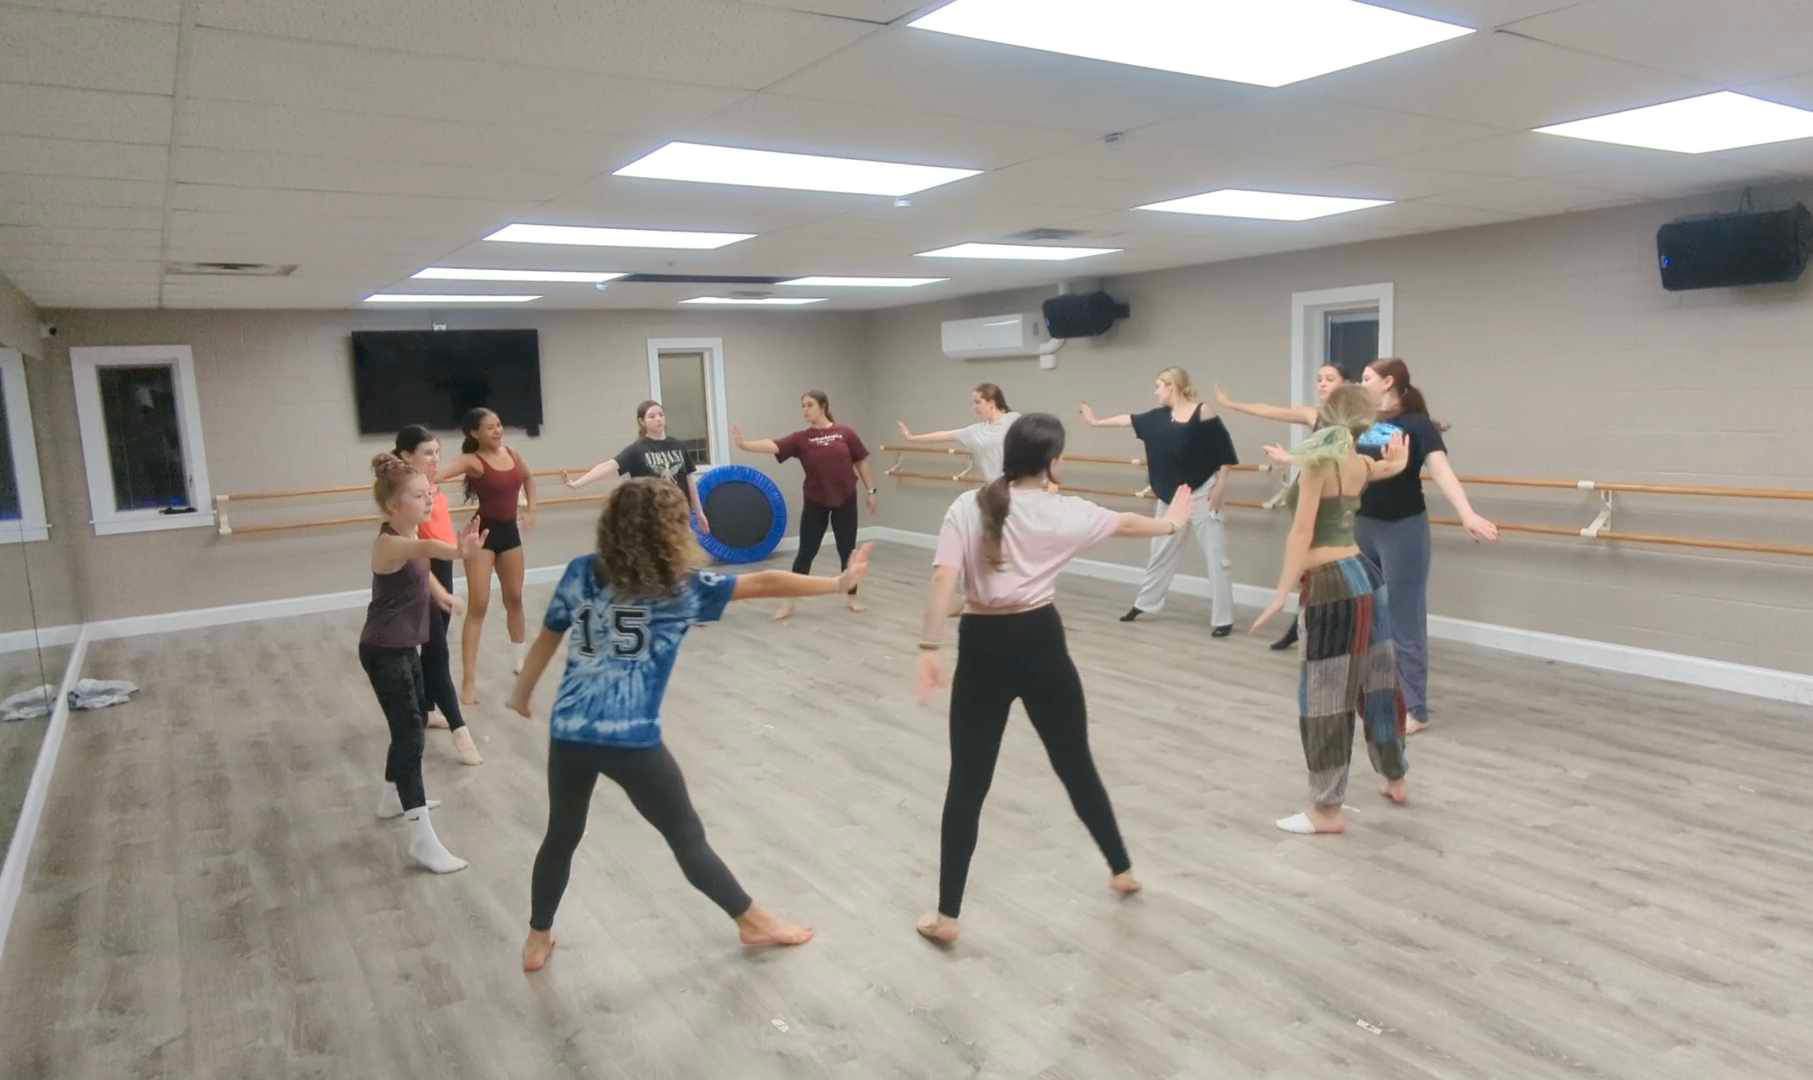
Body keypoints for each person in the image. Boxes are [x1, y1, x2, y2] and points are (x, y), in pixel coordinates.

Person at [508, 478, 873, 972]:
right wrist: (836, 583)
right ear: (671, 531)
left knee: (561, 835)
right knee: (686, 836)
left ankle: (537, 938)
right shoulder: (682, 589)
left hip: (570, 732)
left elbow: (548, 639)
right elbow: (764, 583)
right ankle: (753, 920)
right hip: (630, 741)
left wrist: (522, 692)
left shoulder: (581, 573)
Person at [912, 413, 1193, 946]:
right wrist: (1174, 522)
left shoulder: (966, 506)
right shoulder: (1067, 512)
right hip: (1042, 642)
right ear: (1053, 462)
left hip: (982, 647)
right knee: (1075, 764)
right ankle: (1122, 869)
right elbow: (1130, 524)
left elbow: (944, 578)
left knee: (968, 783)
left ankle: (947, 917)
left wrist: (929, 645)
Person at [1249, 385, 1412, 835]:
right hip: (1365, 576)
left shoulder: (1320, 465)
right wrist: (1396, 464)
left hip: (1332, 587)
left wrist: (1281, 591)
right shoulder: (1358, 463)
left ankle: (1326, 811)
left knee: (1325, 698)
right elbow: (1381, 468)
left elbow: (1301, 535)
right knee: (1379, 683)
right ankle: (1394, 777)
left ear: (1326, 415)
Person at [1353, 359, 1499, 735]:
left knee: (1405, 619)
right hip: (1363, 526)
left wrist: (1466, 513)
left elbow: (1441, 471)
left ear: (1388, 382)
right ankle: (1377, 695)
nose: (1360, 381)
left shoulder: (1417, 424)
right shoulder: (1366, 424)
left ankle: (1414, 708)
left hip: (1403, 530)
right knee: (1369, 617)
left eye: (1366, 377)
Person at [361, 452, 484, 873]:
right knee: (411, 735)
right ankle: (423, 840)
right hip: (384, 652)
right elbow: (425, 548)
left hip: (403, 647)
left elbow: (421, 563)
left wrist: (440, 594)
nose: (428, 499)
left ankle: (391, 798)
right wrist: (460, 551)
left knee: (411, 723)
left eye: (428, 492)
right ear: (394, 505)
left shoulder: (406, 533)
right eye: (418, 495)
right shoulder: (390, 541)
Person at [1079, 366, 1239, 636]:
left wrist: (1221, 486)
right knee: (1160, 552)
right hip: (1170, 497)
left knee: (1215, 556)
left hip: (1202, 492)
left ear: (1171, 386)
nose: (1155, 391)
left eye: (1158, 386)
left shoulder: (1203, 412)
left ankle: (1223, 619)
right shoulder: (1156, 418)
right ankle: (1146, 603)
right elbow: (1126, 420)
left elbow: (1224, 449)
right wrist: (1096, 422)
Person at [1217, 364, 1346, 651]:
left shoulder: (1352, 421)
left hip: (1335, 503)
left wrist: (1292, 458)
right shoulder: (1314, 415)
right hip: (1308, 499)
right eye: (1319, 379)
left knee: (1328, 568)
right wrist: (1232, 404)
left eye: (1329, 379)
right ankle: (1301, 625)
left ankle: (1321, 628)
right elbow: (1269, 410)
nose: (1322, 384)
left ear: (1345, 384)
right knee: (1308, 567)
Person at [731, 390, 878, 621]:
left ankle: (851, 597)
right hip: (816, 502)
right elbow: (774, 445)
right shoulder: (801, 438)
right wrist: (744, 445)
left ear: (823, 406)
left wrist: (871, 491)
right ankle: (789, 602)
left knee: (847, 551)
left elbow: (861, 461)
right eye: (803, 406)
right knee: (806, 553)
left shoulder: (845, 433)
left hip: (846, 500)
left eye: (809, 405)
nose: (805, 410)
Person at [394, 425, 483, 765]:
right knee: (438, 652)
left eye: (437, 453)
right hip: (423, 579)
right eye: (427, 453)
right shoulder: (407, 497)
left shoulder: (432, 489)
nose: (435, 460)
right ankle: (461, 731)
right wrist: (438, 589)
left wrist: (461, 550)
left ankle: (425, 709)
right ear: (406, 456)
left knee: (432, 648)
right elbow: (415, 550)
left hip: (443, 572)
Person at [440, 406, 537, 702]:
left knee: (515, 598)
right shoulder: (472, 460)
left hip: (510, 535)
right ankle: (468, 683)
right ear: (474, 433)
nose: (498, 430)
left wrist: (531, 510)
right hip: (482, 536)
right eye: (490, 427)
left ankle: (520, 661)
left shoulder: (513, 454)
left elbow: (529, 480)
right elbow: (437, 476)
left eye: (499, 424)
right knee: (479, 605)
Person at [563, 399, 710, 535]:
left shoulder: (679, 446)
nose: (658, 419)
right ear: (642, 421)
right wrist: (577, 483)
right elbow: (608, 466)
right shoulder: (637, 449)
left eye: (660, 415)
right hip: (651, 517)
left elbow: (690, 482)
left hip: (678, 514)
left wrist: (699, 513)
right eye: (652, 416)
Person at [897, 383, 1022, 481]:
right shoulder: (976, 431)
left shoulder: (1014, 419)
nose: (974, 407)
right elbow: (944, 434)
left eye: (978, 402)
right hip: (995, 489)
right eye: (973, 403)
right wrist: (912, 438)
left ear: (991, 402)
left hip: (1018, 486)